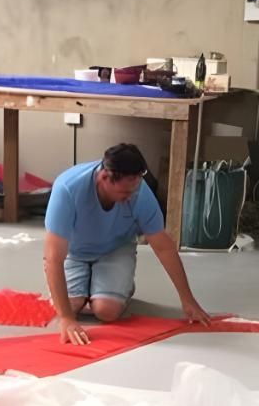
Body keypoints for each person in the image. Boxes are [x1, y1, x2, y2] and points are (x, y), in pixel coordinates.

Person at [43, 142, 211, 346]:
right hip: (74, 251)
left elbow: (163, 247)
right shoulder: (67, 189)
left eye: (134, 190)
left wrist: (187, 299)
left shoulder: (140, 194)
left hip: (115, 249)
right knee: (70, 305)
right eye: (124, 193)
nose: (130, 197)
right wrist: (67, 319)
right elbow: (53, 258)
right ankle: (86, 290)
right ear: (104, 178)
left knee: (106, 311)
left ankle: (114, 288)